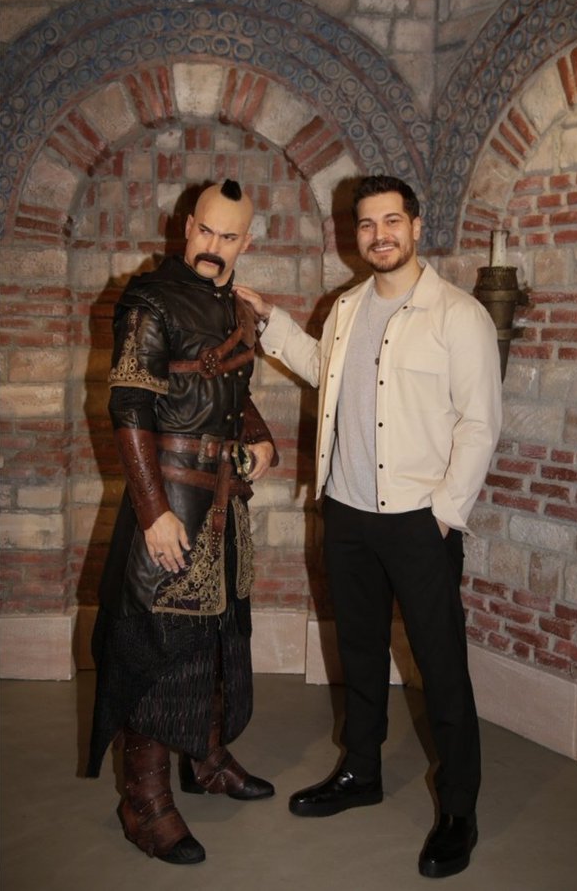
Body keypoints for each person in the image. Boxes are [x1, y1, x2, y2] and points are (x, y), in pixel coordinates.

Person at [236, 174, 502, 879]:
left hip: (420, 522)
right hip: (347, 512)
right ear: (353, 235)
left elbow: (480, 424)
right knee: (357, 654)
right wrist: (269, 319)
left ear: (415, 227)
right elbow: (323, 369)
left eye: (391, 221)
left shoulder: (458, 315)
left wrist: (445, 514)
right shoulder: (347, 307)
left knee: (440, 667)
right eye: (366, 224)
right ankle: (360, 772)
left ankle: (459, 809)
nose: (379, 235)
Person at [87, 179, 278, 866]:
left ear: (244, 241)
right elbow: (130, 407)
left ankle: (206, 759)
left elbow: (230, 393)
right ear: (186, 225)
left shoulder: (235, 307)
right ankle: (144, 802)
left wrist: (261, 438)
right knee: (158, 650)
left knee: (221, 636)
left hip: (225, 504)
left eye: (228, 236)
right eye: (205, 230)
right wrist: (153, 511)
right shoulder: (150, 299)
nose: (212, 246)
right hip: (170, 503)